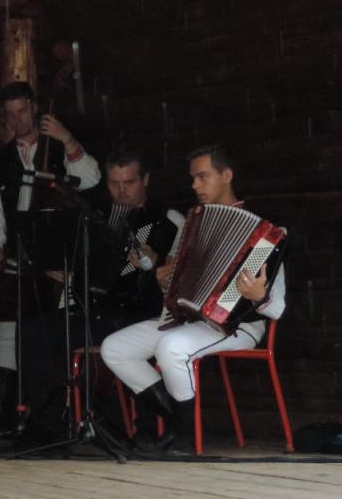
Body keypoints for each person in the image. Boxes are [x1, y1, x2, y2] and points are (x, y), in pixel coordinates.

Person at [101, 144, 287, 454]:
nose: (194, 185)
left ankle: (186, 438)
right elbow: (174, 276)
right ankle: (180, 423)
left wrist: (260, 297)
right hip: (187, 319)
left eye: (203, 177)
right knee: (115, 348)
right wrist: (166, 277)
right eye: (193, 178)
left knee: (171, 347)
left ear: (227, 175)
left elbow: (277, 307)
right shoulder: (192, 223)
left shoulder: (263, 231)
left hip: (236, 325)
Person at [15, 146, 182, 440]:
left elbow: (180, 276)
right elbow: (82, 263)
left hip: (143, 314)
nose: (121, 191)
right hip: (98, 312)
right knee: (32, 332)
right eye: (114, 183)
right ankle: (49, 424)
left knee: (138, 337)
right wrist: (64, 268)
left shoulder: (168, 219)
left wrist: (156, 261)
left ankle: (147, 429)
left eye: (129, 182)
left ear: (145, 180)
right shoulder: (94, 216)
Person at [0, 81, 101, 426]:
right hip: (24, 260)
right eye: (10, 114)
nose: (17, 119)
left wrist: (67, 139)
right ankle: (7, 415)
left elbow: (91, 178)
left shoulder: (59, 145)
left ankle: (56, 412)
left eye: (22, 111)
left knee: (50, 332)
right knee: (11, 325)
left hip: (63, 259)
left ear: (34, 107)